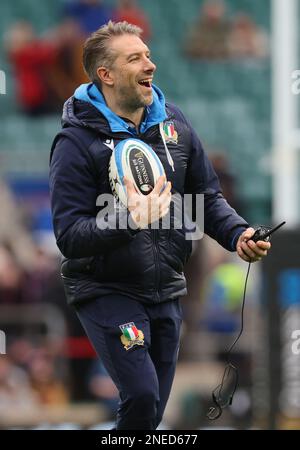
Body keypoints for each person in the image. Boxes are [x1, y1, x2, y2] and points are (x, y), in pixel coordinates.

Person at [49, 21, 271, 430]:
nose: (150, 63)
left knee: (151, 415)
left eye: (148, 54)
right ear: (107, 74)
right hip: (107, 290)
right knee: (141, 395)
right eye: (135, 58)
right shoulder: (75, 143)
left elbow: (205, 196)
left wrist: (238, 233)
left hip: (167, 288)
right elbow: (70, 236)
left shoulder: (174, 124)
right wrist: (130, 219)